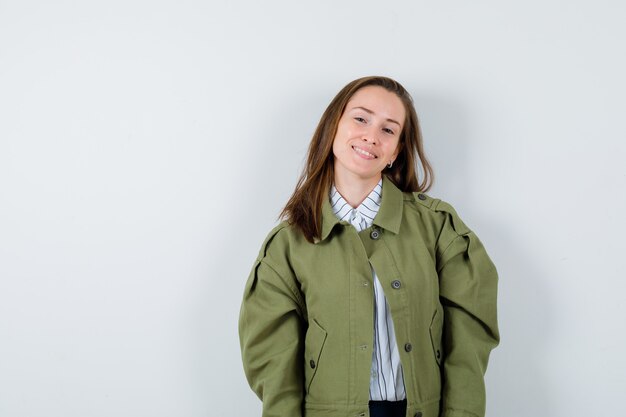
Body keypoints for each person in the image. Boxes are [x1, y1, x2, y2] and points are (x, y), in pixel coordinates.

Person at [238, 76, 499, 417]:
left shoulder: (438, 228)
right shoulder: (288, 245)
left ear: (396, 152)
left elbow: (469, 341)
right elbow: (274, 364)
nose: (371, 136)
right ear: (334, 126)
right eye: (361, 119)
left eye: (389, 130)